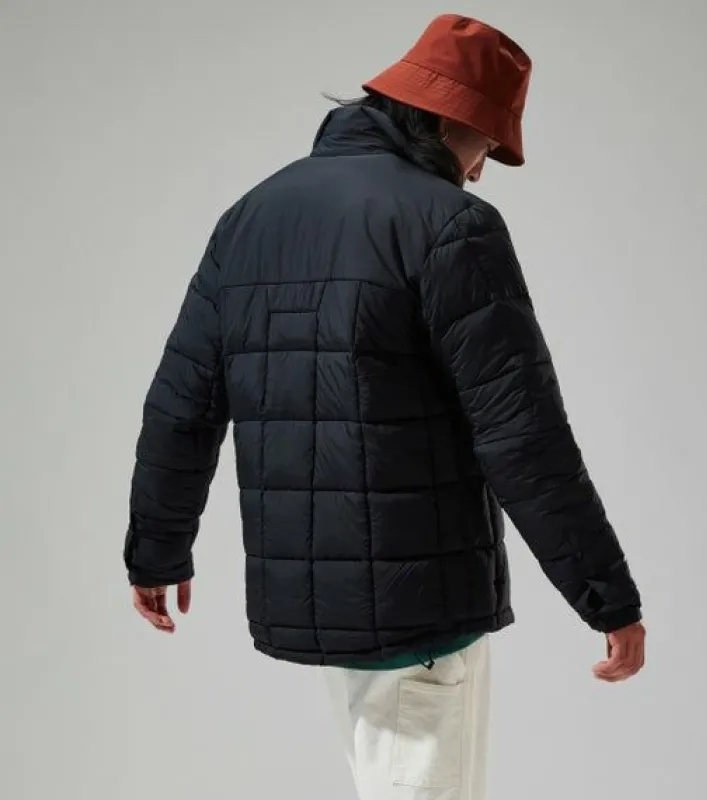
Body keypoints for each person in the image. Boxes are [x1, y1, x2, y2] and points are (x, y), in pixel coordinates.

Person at [124, 13, 645, 799]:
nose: (480, 172)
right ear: (449, 120)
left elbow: (181, 405)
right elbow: (523, 436)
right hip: (420, 612)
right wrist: (607, 595)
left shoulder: (250, 217)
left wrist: (156, 550)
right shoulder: (450, 226)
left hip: (316, 605)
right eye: (485, 145)